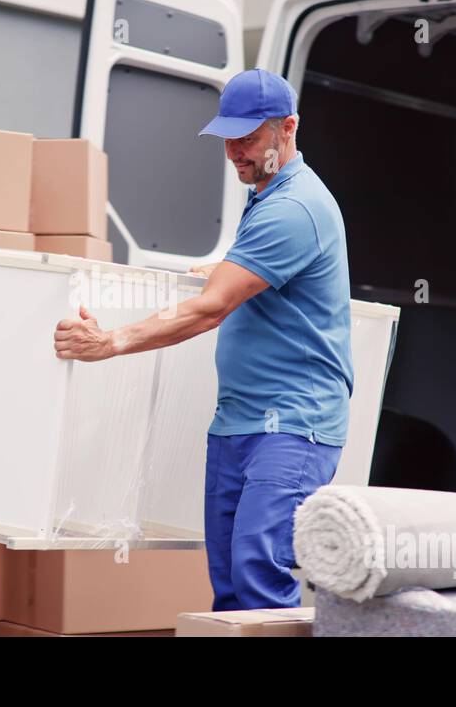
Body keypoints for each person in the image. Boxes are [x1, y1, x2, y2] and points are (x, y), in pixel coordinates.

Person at [52, 68, 353, 609]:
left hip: (290, 425)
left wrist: (110, 342)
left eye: (248, 138)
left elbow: (210, 309)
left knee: (259, 576)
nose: (234, 151)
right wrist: (225, 266)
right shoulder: (267, 195)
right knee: (231, 585)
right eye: (227, 139)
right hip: (241, 421)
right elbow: (256, 276)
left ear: (288, 128)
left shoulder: (294, 207)